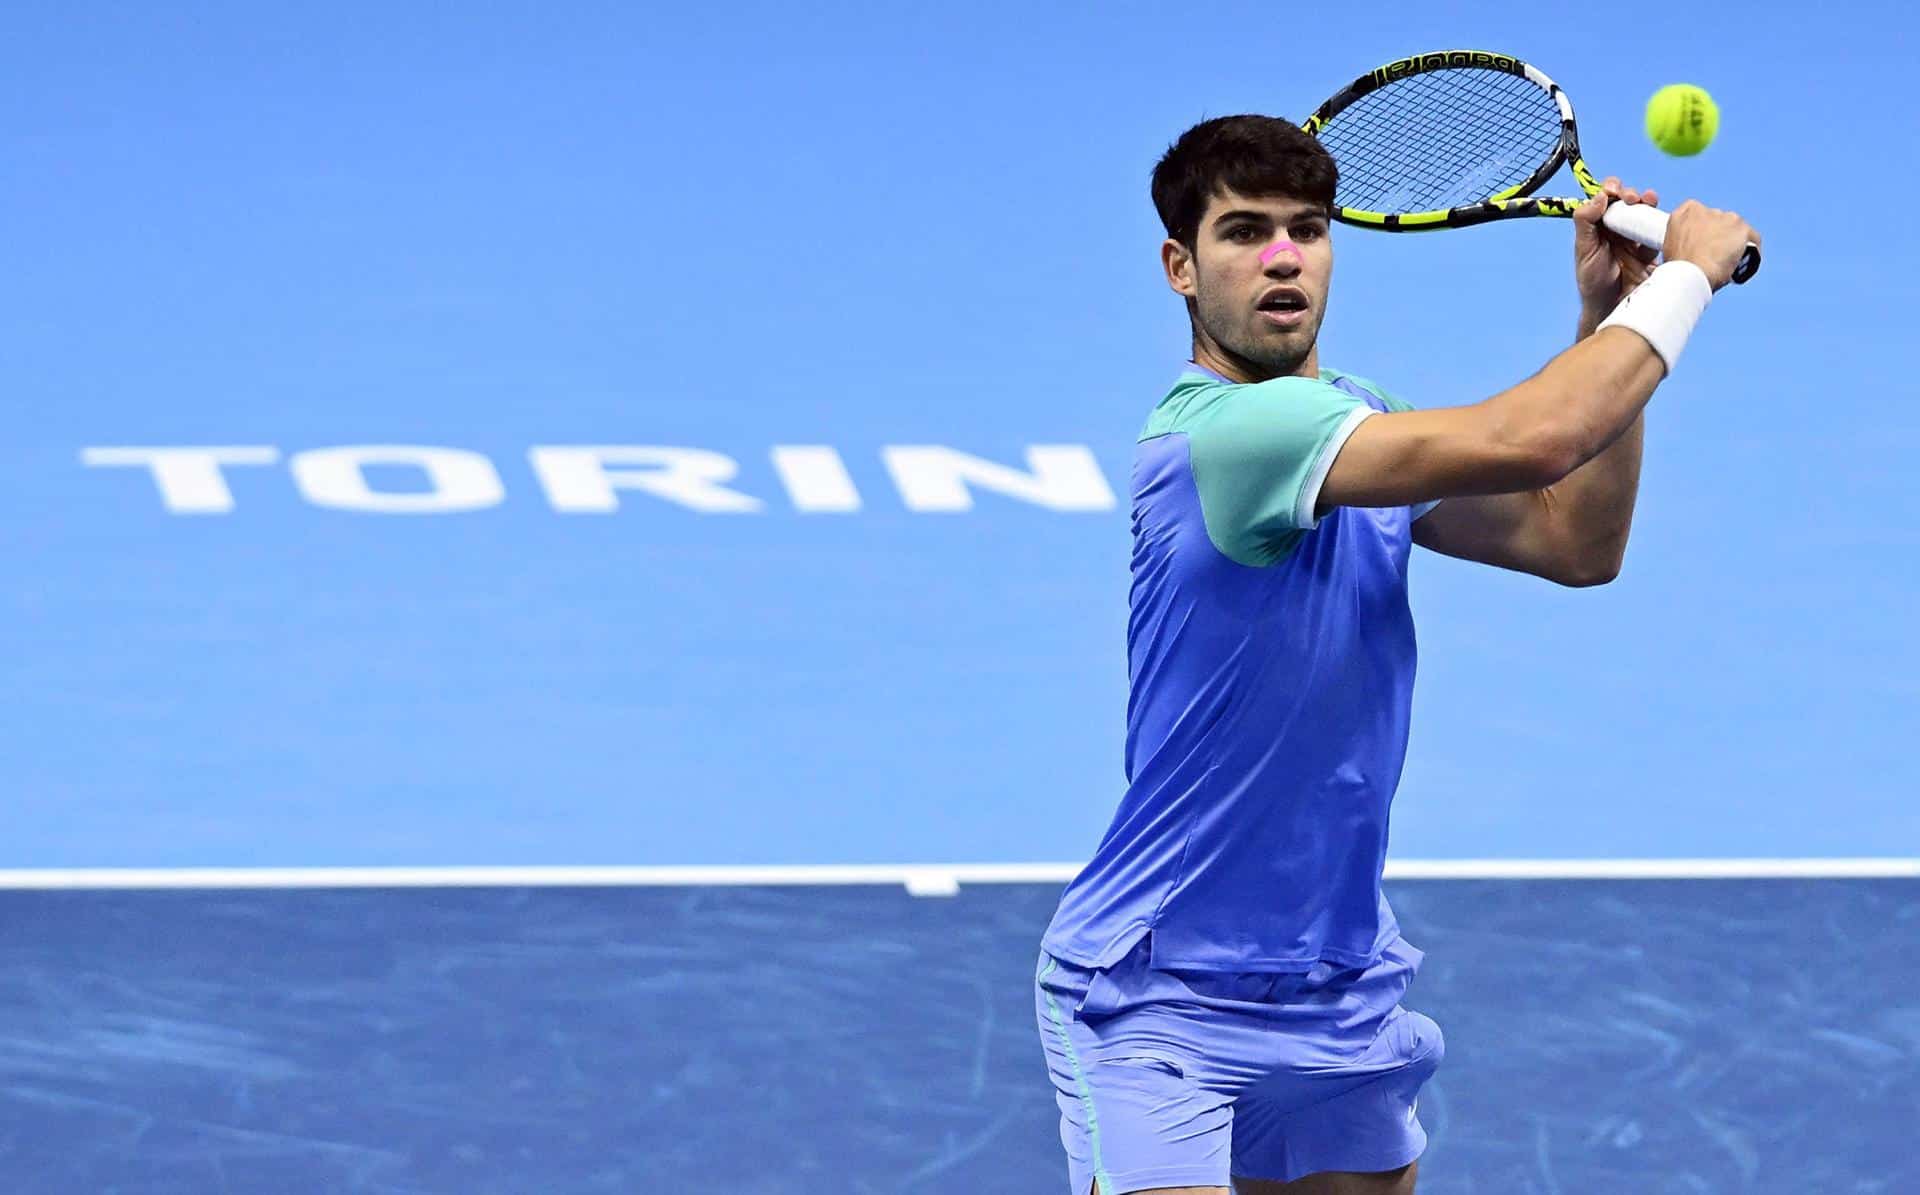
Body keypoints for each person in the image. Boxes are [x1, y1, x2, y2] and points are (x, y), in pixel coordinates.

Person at [1033, 115, 1761, 1195]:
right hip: (1161, 995)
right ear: (1180, 268)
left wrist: (1603, 311)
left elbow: (1576, 539)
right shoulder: (1231, 436)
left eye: (1307, 229)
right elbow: (1535, 437)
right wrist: (1684, 279)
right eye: (1243, 233)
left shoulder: (1352, 419)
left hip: (1338, 983)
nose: (1283, 256)